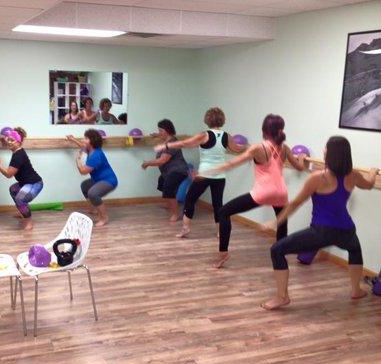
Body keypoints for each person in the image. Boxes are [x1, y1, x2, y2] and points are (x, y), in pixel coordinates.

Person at [261, 136, 379, 310]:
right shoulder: (353, 175)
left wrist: (276, 221)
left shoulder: (318, 178)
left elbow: (295, 203)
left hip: (321, 232)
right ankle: (356, 290)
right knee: (354, 250)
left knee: (277, 250)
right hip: (346, 230)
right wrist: (373, 172)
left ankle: (281, 297)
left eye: (326, 148)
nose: (323, 150)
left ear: (330, 154)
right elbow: (369, 185)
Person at [203, 114, 306, 269]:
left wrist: (209, 171)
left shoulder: (259, 147)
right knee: (282, 222)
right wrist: (302, 158)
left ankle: (223, 253)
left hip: (263, 192)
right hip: (281, 193)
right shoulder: (284, 148)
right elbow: (300, 167)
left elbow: (232, 163)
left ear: (264, 130)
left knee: (224, 212)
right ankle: (279, 257)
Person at [154, 108, 245, 237]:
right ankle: (220, 231)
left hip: (204, 174)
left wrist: (166, 146)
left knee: (190, 199)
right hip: (219, 176)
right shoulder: (227, 136)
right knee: (217, 203)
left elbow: (185, 143)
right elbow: (237, 149)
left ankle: (185, 228)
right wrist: (253, 148)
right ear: (222, 119)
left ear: (207, 120)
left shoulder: (205, 135)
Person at [66, 129, 118, 226]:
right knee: (85, 186)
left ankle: (104, 217)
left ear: (92, 141)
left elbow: (83, 171)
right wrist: (72, 139)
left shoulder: (96, 155)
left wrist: (78, 159)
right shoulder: (91, 149)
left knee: (93, 193)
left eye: (86, 138)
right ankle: (94, 208)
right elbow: (82, 146)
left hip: (109, 181)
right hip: (98, 180)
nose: (82, 140)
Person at [0, 128, 43, 231]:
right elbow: (9, 139)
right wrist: (3, 137)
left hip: (35, 184)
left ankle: (29, 222)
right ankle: (22, 211)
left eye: (12, 140)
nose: (9, 142)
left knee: (20, 198)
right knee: (13, 189)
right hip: (26, 183)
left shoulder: (18, 156)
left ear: (19, 142)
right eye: (8, 139)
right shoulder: (17, 150)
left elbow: (8, 174)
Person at [143, 119, 188, 221]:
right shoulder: (169, 138)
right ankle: (170, 203)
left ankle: (175, 214)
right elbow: (163, 135)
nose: (159, 133)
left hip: (179, 171)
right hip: (168, 172)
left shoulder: (171, 143)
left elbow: (163, 160)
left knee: (168, 189)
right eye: (158, 130)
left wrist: (147, 163)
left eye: (160, 131)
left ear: (167, 131)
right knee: (161, 182)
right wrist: (156, 134)